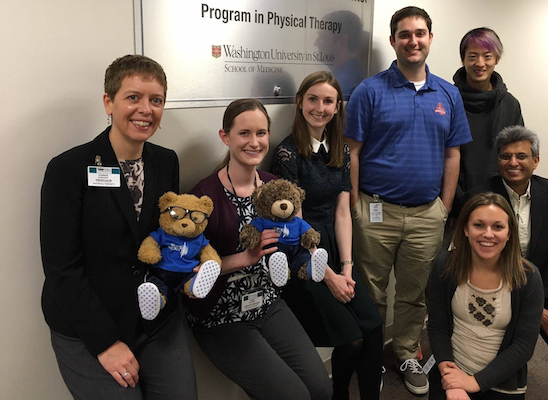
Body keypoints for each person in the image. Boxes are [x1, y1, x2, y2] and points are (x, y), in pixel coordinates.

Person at [40, 54, 197, 399]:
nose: (146, 109)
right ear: (109, 103)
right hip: (90, 324)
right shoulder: (68, 169)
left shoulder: (166, 161)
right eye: (133, 97)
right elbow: (61, 269)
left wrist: (189, 265)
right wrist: (105, 343)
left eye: (156, 100)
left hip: (154, 316)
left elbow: (165, 235)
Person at [344, 6, 472, 394]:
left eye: (419, 33)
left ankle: (405, 352)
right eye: (404, 34)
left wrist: (444, 207)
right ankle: (370, 360)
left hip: (427, 215)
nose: (412, 41)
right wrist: (356, 206)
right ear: (393, 40)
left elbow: (453, 154)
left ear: (430, 38)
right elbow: (352, 152)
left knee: (415, 295)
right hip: (375, 211)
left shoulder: (448, 94)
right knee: (371, 294)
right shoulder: (369, 91)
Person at [183, 99, 332, 400]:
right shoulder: (204, 196)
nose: (254, 142)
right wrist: (244, 258)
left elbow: (292, 240)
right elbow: (188, 272)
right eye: (244, 133)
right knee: (294, 397)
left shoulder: (275, 187)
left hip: (268, 304)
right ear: (225, 137)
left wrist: (310, 254)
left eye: (261, 133)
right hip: (221, 316)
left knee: (321, 389)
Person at [272, 71, 384, 400]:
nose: (319, 108)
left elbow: (342, 212)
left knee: (373, 326)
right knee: (352, 339)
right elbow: (296, 225)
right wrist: (330, 277)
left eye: (328, 101)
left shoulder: (341, 151)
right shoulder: (287, 154)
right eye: (313, 99)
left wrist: (347, 268)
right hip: (303, 254)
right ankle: (339, 394)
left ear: (337, 108)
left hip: (335, 247)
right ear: (300, 102)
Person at [467, 126, 548, 400]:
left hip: (544, 288)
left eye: (521, 156)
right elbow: (479, 260)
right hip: (496, 289)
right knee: (502, 355)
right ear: (498, 161)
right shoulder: (481, 195)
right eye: (506, 156)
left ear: (535, 161)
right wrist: (537, 312)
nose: (513, 162)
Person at [428, 192, 544, 399]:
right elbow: (438, 326)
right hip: (452, 371)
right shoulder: (445, 266)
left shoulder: (528, 277)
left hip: (501, 381)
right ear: (466, 229)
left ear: (509, 233)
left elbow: (523, 346)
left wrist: (473, 382)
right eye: (479, 225)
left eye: (498, 227)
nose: (488, 234)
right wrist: (451, 377)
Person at [453, 27, 524, 209]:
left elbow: (516, 156)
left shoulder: (510, 105)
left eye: (487, 56)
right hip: (453, 200)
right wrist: (455, 200)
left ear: (496, 59)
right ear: (463, 59)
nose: (480, 63)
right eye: (472, 56)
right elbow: (440, 155)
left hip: (497, 201)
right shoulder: (448, 100)